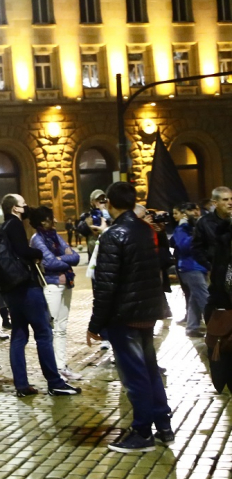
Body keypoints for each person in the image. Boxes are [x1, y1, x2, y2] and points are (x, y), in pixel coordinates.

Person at [86, 182, 173, 453]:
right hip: (146, 312)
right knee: (149, 369)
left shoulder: (113, 235)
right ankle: (163, 425)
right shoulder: (145, 230)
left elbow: (106, 285)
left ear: (110, 203)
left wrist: (95, 324)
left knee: (135, 376)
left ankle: (142, 431)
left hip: (124, 315)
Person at [0, 194, 81, 398]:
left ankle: (21, 385)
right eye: (23, 204)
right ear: (15, 209)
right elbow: (22, 250)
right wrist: (37, 255)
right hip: (27, 287)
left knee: (19, 335)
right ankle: (55, 382)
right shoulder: (14, 224)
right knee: (44, 333)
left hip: (11, 288)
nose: (27, 207)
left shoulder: (2, 228)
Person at [29, 206, 82, 381]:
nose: (55, 221)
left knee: (62, 328)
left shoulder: (55, 236)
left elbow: (76, 257)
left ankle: (61, 365)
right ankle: (53, 369)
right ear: (42, 221)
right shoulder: (37, 239)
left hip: (66, 283)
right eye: (51, 218)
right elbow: (50, 263)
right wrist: (63, 258)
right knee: (50, 329)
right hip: (51, 285)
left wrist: (61, 259)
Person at [174, 203, 208, 336]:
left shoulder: (200, 226)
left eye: (197, 209)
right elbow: (183, 247)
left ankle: (192, 327)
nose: (195, 212)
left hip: (200, 266)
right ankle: (216, 328)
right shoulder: (181, 229)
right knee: (205, 299)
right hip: (190, 267)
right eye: (191, 210)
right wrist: (196, 234)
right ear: (184, 214)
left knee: (195, 298)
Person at [193, 186, 232, 273]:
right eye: (225, 200)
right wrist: (210, 266)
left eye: (231, 199)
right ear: (215, 203)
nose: (230, 203)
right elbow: (197, 248)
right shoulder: (205, 222)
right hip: (219, 272)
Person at [81, 189, 111, 260]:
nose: (101, 202)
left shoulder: (110, 213)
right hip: (94, 254)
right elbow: (81, 229)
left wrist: (105, 213)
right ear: (92, 202)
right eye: (98, 200)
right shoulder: (88, 215)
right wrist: (89, 223)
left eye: (103, 199)